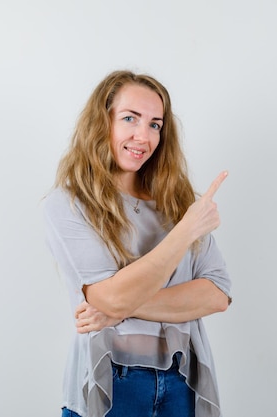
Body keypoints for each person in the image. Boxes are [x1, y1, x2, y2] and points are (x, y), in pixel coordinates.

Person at [43, 70, 232, 417]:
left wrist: (117, 306)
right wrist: (185, 231)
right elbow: (111, 295)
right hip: (113, 383)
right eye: (130, 118)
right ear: (103, 122)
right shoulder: (69, 204)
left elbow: (217, 294)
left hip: (181, 382)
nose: (143, 135)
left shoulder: (177, 204)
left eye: (155, 124)